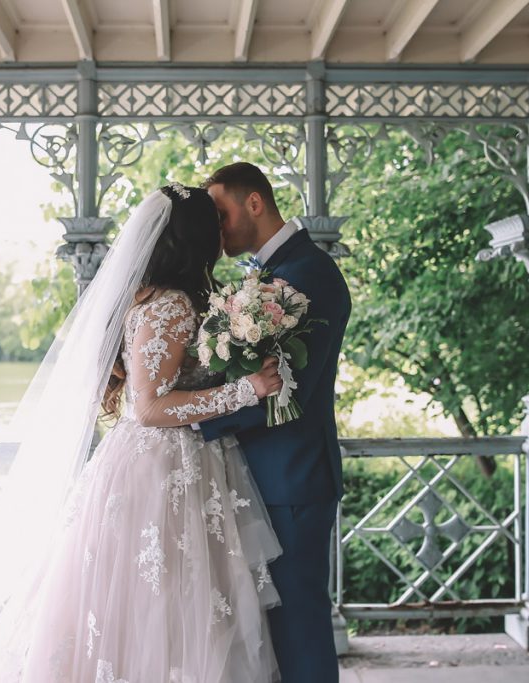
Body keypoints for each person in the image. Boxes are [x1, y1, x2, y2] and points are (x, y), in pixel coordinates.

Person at [0, 185, 285, 682]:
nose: (223, 231)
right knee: (163, 601)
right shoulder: (173, 305)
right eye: (215, 223)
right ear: (196, 238)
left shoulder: (151, 298)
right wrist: (247, 388)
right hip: (162, 466)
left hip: (164, 462)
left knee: (155, 601)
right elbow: (150, 407)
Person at [200, 162, 351, 683]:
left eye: (221, 214)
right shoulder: (270, 274)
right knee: (267, 628)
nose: (216, 229)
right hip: (264, 477)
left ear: (255, 203)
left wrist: (192, 421)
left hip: (293, 479)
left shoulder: (309, 274)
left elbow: (285, 394)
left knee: (299, 625)